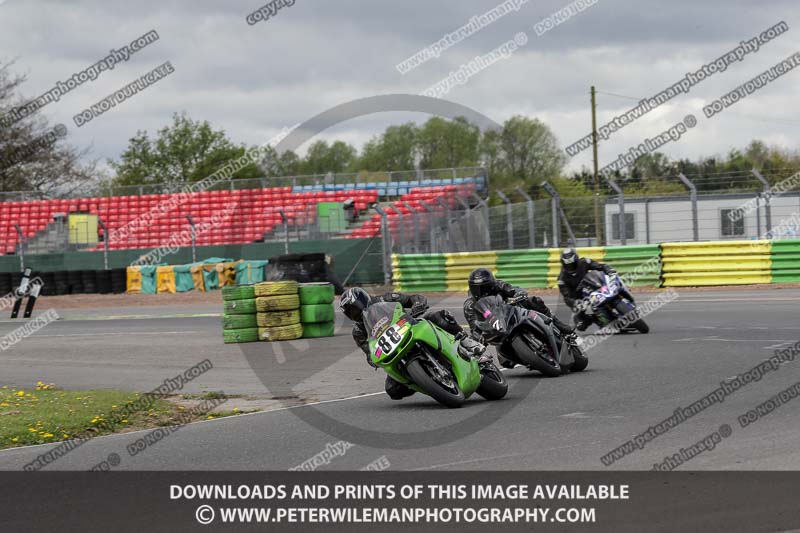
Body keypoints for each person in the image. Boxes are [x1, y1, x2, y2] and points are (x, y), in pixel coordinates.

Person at [340, 288, 488, 400]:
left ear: (363, 298)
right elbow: (369, 352)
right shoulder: (358, 332)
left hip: (412, 327)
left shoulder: (384, 299)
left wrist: (418, 305)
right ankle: (426, 380)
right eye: (350, 312)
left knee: (440, 316)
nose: (355, 312)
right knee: (393, 390)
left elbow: (414, 298)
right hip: (395, 350)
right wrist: (372, 359)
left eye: (355, 307)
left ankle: (465, 341)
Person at [463, 267, 575, 343]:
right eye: (476, 288)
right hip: (496, 328)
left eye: (484, 287)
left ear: (491, 284)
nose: (480, 291)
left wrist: (518, 294)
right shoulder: (470, 305)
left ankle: (557, 324)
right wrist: (477, 337)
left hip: (511, 312)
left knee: (535, 301)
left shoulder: (498, 285)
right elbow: (473, 326)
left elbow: (513, 289)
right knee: (503, 360)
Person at [557, 247, 617, 331]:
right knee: (580, 325)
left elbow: (600, 266)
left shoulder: (584, 262)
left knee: (611, 284)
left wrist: (609, 269)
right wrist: (574, 303)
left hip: (594, 288)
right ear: (564, 264)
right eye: (568, 266)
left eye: (572, 264)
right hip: (581, 300)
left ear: (576, 260)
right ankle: (596, 319)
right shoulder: (562, 279)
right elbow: (567, 297)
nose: (570, 267)